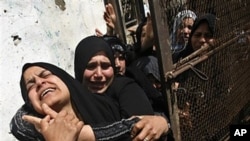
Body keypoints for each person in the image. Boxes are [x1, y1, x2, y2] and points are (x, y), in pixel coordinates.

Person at [10, 62, 142, 141]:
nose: (39, 82)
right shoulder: (34, 132)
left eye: (45, 75)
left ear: (65, 79)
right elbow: (18, 122)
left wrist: (161, 121)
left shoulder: (107, 106)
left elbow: (142, 128)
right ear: (30, 103)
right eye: (30, 85)